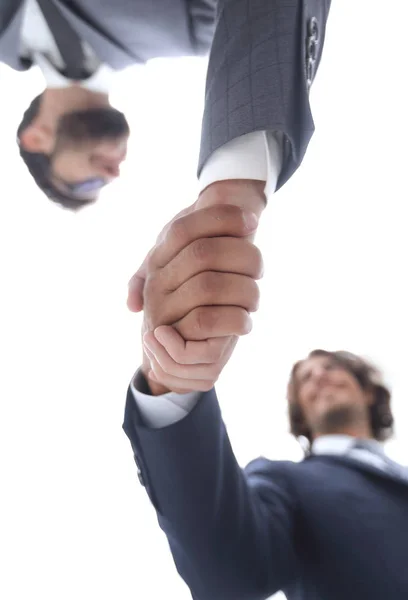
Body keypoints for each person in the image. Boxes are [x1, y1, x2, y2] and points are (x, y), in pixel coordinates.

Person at [123, 204, 408, 600]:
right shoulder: (285, 483)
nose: (319, 377)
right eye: (306, 378)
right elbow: (228, 571)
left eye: (330, 368)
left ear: (369, 391)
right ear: (300, 414)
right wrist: (175, 379)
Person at [1, 0, 330, 210]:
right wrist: (233, 187)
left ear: (35, 139)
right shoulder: (200, 27)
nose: (112, 173)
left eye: (88, 183)